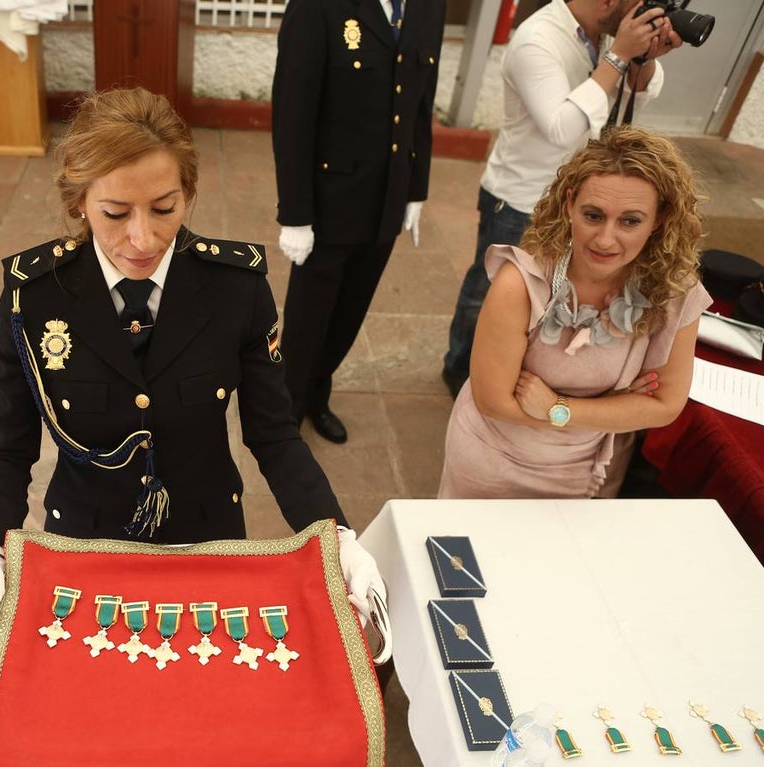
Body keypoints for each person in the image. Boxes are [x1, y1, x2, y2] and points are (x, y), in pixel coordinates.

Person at [0, 87, 386, 646]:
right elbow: (8, 449)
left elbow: (275, 437)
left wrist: (336, 536)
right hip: (90, 544)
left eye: (165, 208)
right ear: (79, 203)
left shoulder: (236, 290)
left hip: (207, 537)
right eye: (115, 213)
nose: (143, 239)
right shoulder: (33, 298)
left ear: (188, 193)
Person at [437, 125, 711, 499]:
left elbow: (664, 406)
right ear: (569, 204)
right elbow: (494, 401)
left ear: (659, 219)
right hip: (494, 462)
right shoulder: (520, 284)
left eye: (630, 221)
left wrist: (558, 407)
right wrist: (615, 407)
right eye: (593, 215)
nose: (605, 239)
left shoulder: (676, 292)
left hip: (590, 472)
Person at [441, 0, 684, 398]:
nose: (641, 10)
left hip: (581, 204)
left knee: (551, 294)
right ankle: (462, 369)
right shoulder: (537, 40)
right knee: (492, 292)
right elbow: (561, 127)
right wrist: (618, 55)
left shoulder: (598, 37)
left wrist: (641, 60)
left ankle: (522, 366)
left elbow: (624, 106)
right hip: (522, 199)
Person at [272, 0, 447, 444]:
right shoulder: (318, 7)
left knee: (350, 312)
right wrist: (295, 214)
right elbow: (292, 113)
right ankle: (284, 411)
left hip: (388, 196)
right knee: (309, 318)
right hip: (330, 200)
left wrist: (416, 187)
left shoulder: (429, 6)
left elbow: (421, 104)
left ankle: (317, 392)